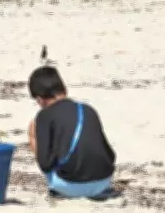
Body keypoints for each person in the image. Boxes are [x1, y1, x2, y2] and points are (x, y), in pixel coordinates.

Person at [26, 66, 116, 199]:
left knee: (32, 128)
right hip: (103, 182)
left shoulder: (43, 116)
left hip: (70, 186)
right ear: (64, 90)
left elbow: (45, 164)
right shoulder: (88, 109)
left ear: (40, 99)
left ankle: (56, 188)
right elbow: (111, 155)